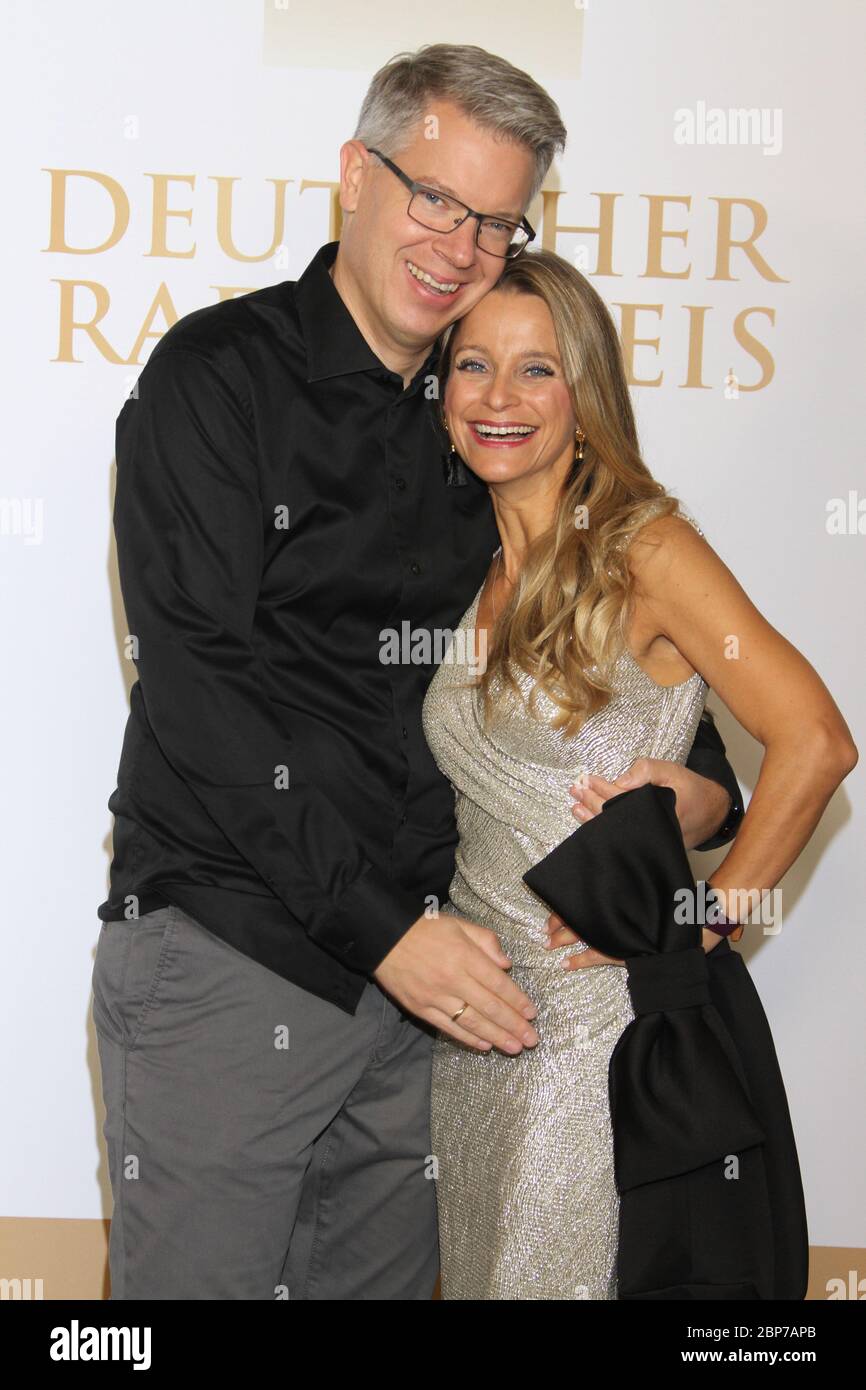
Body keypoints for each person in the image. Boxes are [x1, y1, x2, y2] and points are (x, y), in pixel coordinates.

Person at [92, 45, 742, 1301]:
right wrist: (385, 934)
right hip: (232, 960)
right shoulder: (216, 380)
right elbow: (196, 689)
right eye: (436, 196)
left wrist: (701, 787)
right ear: (355, 174)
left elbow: (600, 651)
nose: (459, 243)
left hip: (440, 1004)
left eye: (497, 219)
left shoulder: (483, 421)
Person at [422, 247, 858, 1300]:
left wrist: (702, 920)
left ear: (587, 392)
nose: (497, 397)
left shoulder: (645, 551)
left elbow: (815, 738)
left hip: (595, 1034)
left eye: (535, 369)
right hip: (475, 1036)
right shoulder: (459, 564)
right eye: (472, 364)